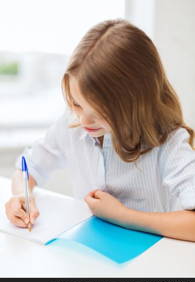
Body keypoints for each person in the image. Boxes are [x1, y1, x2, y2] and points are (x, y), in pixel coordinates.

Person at [5, 19, 195, 241]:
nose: (84, 120)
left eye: (99, 112)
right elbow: (27, 168)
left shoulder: (169, 142)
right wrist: (21, 196)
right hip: (88, 253)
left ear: (136, 102)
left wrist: (124, 216)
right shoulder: (72, 124)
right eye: (76, 104)